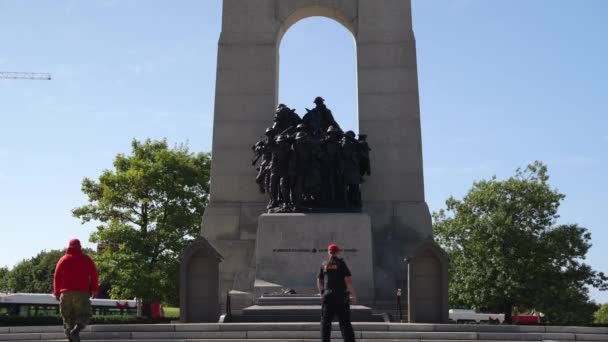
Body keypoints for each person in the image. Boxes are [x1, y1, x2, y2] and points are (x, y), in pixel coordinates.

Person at [53, 239, 99, 342]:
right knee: (85, 315)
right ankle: (77, 330)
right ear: (80, 247)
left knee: (68, 320)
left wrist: (56, 292)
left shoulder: (63, 260)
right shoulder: (87, 259)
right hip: (82, 293)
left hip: (65, 294)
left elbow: (56, 277)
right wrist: (95, 289)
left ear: (69, 247)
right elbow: (94, 275)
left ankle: (73, 335)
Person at [317, 244, 357, 342]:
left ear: (328, 252)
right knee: (345, 323)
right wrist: (353, 295)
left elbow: (319, 280)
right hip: (341, 297)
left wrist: (322, 292)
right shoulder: (341, 264)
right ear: (338, 252)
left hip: (328, 297)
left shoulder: (324, 264)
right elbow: (348, 281)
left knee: (325, 323)